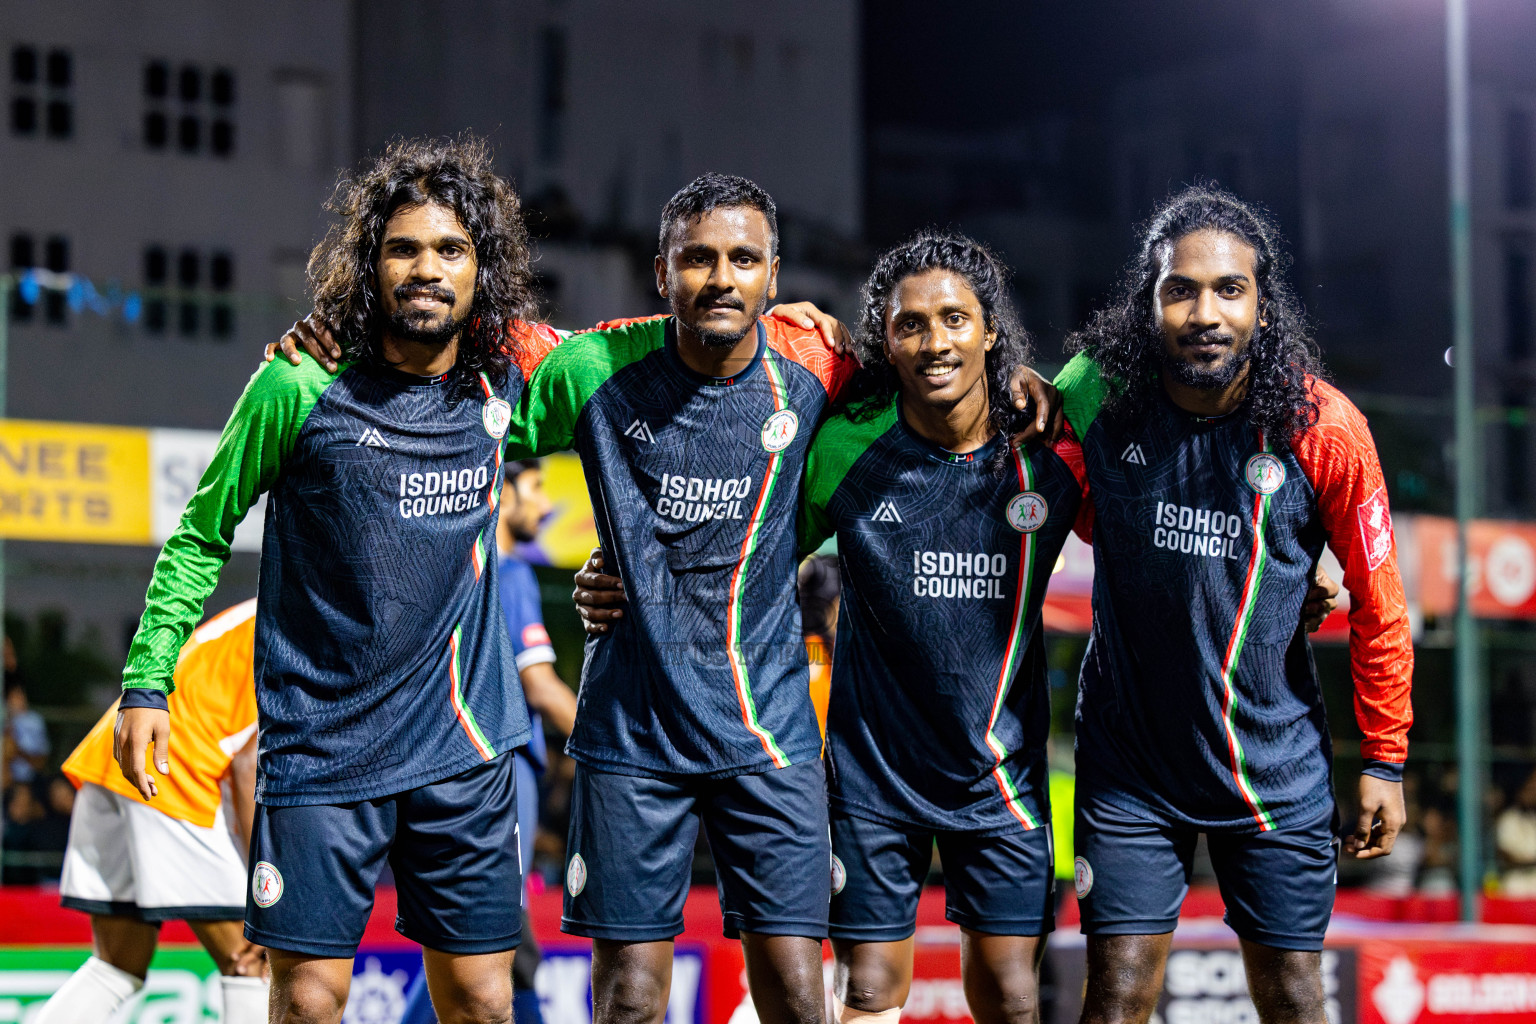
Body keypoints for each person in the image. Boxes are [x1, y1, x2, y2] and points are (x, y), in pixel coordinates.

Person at [114, 136, 543, 1024]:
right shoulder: (298, 382)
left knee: (482, 1000)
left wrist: (792, 338)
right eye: (404, 249)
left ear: (483, 267)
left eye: (451, 249)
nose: (427, 270)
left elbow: (645, 377)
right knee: (308, 1001)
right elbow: (200, 533)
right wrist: (148, 680)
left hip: (463, 746)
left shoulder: (510, 375)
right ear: (370, 264)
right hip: (323, 747)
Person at [1055, 186, 1413, 1024]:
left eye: (1229, 289)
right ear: (1148, 304)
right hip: (1130, 767)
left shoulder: (1325, 428)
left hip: (1271, 770)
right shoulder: (1097, 389)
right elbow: (1029, 444)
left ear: (1263, 303)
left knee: (1293, 999)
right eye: (1180, 290)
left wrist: (1385, 761)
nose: (1205, 313)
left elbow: (1380, 603)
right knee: (1114, 999)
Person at [398, 458, 580, 1024]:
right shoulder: (511, 572)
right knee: (491, 940)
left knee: (479, 939)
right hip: (501, 774)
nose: (545, 505)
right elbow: (541, 686)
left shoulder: (449, 569)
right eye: (535, 488)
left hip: (444, 765)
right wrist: (612, 749)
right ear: (501, 490)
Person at [36, 599, 267, 1024]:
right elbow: (249, 766)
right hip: (173, 769)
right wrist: (265, 891)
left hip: (117, 754)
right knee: (251, 962)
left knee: (116, 966)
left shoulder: (263, 606)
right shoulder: (299, 616)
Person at [1496, 768, 1536, 896]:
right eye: (1528, 790)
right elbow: (1506, 855)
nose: (1531, 795)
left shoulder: (1533, 818)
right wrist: (1528, 862)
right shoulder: (1508, 819)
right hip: (1516, 881)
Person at [5, 677, 50, 785]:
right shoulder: (5, 720)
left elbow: (42, 758)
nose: (19, 700)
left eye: (20, 695)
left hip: (32, 777)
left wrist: (19, 752)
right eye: (14, 696)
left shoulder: (34, 721)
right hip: (8, 779)